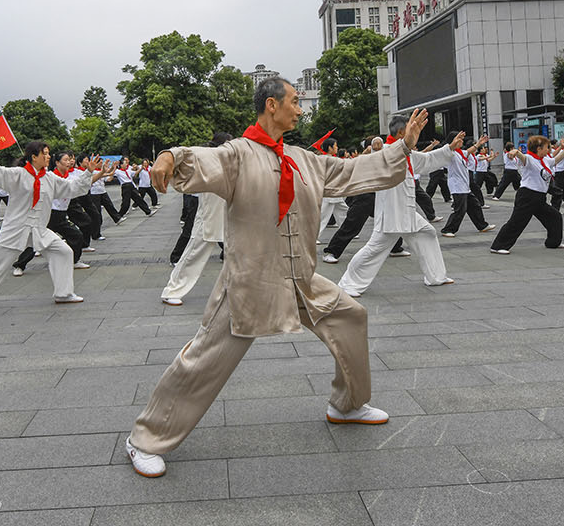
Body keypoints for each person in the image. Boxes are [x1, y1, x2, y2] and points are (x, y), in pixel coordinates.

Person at [124, 79, 428, 478]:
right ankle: (145, 439)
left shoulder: (305, 160)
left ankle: (348, 404)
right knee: (204, 359)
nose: (300, 109)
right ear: (272, 105)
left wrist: (403, 147)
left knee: (350, 317)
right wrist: (168, 156)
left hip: (301, 278)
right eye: (295, 101)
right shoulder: (238, 154)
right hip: (250, 282)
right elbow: (201, 159)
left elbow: (352, 171)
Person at [0, 143, 107, 313]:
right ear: (34, 157)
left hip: (39, 230)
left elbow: (72, 188)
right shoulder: (18, 174)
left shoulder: (49, 178)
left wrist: (88, 172)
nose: (48, 157)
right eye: (45, 153)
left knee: (63, 252)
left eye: (48, 153)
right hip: (15, 230)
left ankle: (64, 294)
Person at [337, 121, 463, 297]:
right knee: (374, 249)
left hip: (407, 212)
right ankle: (348, 284)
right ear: (403, 132)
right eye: (414, 130)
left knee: (427, 233)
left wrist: (449, 148)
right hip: (391, 213)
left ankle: (435, 276)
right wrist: (375, 144)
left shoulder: (408, 153)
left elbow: (428, 160)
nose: (416, 134)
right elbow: (377, 153)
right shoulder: (387, 150)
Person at [160, 133, 232, 305]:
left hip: (229, 215)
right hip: (209, 214)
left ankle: (237, 290)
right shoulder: (206, 159)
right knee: (195, 253)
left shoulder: (231, 161)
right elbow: (186, 156)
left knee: (239, 255)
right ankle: (172, 289)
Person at [487, 138, 564, 255]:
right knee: (517, 222)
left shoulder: (545, 160)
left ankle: (553, 242)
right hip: (527, 196)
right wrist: (516, 152)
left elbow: (556, 160)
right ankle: (498, 246)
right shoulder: (530, 159)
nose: (549, 149)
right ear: (539, 148)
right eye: (547, 147)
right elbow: (523, 157)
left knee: (555, 217)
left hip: (539, 198)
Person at [13, 150, 93, 273]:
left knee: (76, 236)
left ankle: (74, 261)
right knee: (35, 241)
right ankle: (19, 265)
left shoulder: (71, 176)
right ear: (57, 163)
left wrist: (94, 172)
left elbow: (81, 184)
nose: (69, 162)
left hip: (61, 215)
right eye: (65, 160)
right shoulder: (50, 176)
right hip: (48, 214)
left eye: (70, 160)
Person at [440, 134, 493, 237]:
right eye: (460, 140)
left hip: (464, 186)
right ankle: (447, 229)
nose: (462, 142)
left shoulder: (460, 153)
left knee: (475, 205)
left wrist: (479, 143)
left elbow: (469, 151)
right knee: (460, 209)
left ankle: (482, 225)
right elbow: (448, 148)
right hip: (457, 186)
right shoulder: (450, 153)